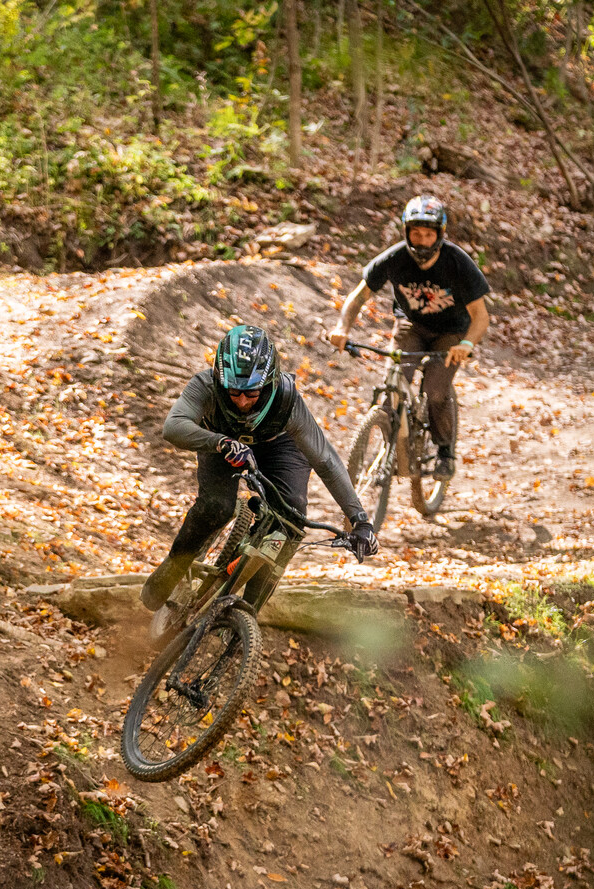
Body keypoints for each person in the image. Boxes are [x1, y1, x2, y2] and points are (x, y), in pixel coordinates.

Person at [141, 324, 379, 616]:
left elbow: (326, 461)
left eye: (251, 393)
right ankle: (175, 565)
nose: (241, 401)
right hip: (221, 443)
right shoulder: (204, 386)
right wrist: (220, 443)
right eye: (233, 392)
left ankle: (247, 611)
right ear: (219, 380)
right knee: (216, 506)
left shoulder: (287, 402)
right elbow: (173, 427)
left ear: (268, 383)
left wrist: (360, 520)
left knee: (292, 517)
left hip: (278, 446)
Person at [329, 195, 490, 480]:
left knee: (436, 390)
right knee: (392, 385)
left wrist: (466, 344)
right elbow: (358, 296)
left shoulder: (457, 262)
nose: (422, 240)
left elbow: (480, 316)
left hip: (451, 332)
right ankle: (391, 449)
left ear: (439, 235)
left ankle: (444, 452)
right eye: (416, 232)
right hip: (411, 326)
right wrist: (342, 327)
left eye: (429, 234)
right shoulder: (395, 258)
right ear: (406, 232)